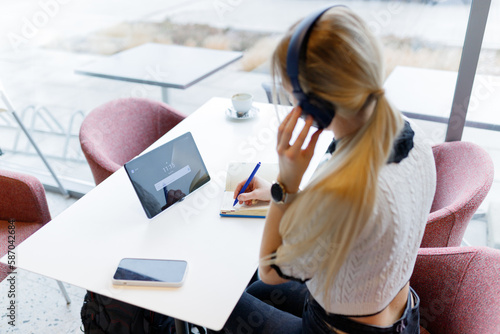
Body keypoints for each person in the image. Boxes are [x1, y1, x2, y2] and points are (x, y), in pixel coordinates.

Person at [210, 6, 436, 334]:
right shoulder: (416, 141)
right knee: (255, 294)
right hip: (400, 315)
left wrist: (285, 184)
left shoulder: (339, 191)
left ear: (313, 105)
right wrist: (293, 196)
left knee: (221, 300)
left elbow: (270, 270)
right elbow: (357, 225)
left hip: (333, 328)